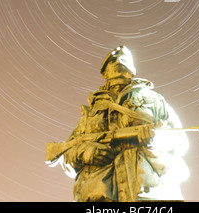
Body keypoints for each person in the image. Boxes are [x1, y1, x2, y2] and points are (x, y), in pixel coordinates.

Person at [46, 46, 189, 202]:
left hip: (149, 196)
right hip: (99, 197)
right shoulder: (91, 110)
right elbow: (67, 155)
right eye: (113, 60)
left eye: (125, 59)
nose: (119, 60)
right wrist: (85, 153)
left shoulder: (154, 100)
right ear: (105, 72)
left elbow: (180, 140)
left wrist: (156, 142)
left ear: (132, 69)